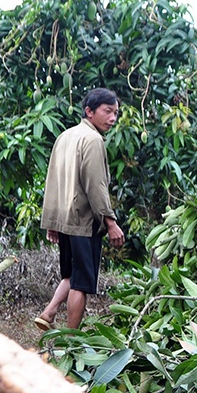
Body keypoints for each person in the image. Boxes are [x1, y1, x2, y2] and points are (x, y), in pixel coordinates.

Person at [35, 88, 125, 330]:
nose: (112, 118)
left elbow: (52, 181)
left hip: (65, 220)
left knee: (70, 274)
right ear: (89, 111)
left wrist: (53, 222)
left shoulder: (65, 136)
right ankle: (71, 340)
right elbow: (96, 185)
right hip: (83, 222)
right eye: (107, 112)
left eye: (115, 113)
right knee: (81, 283)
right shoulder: (93, 140)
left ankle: (49, 311)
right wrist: (110, 222)